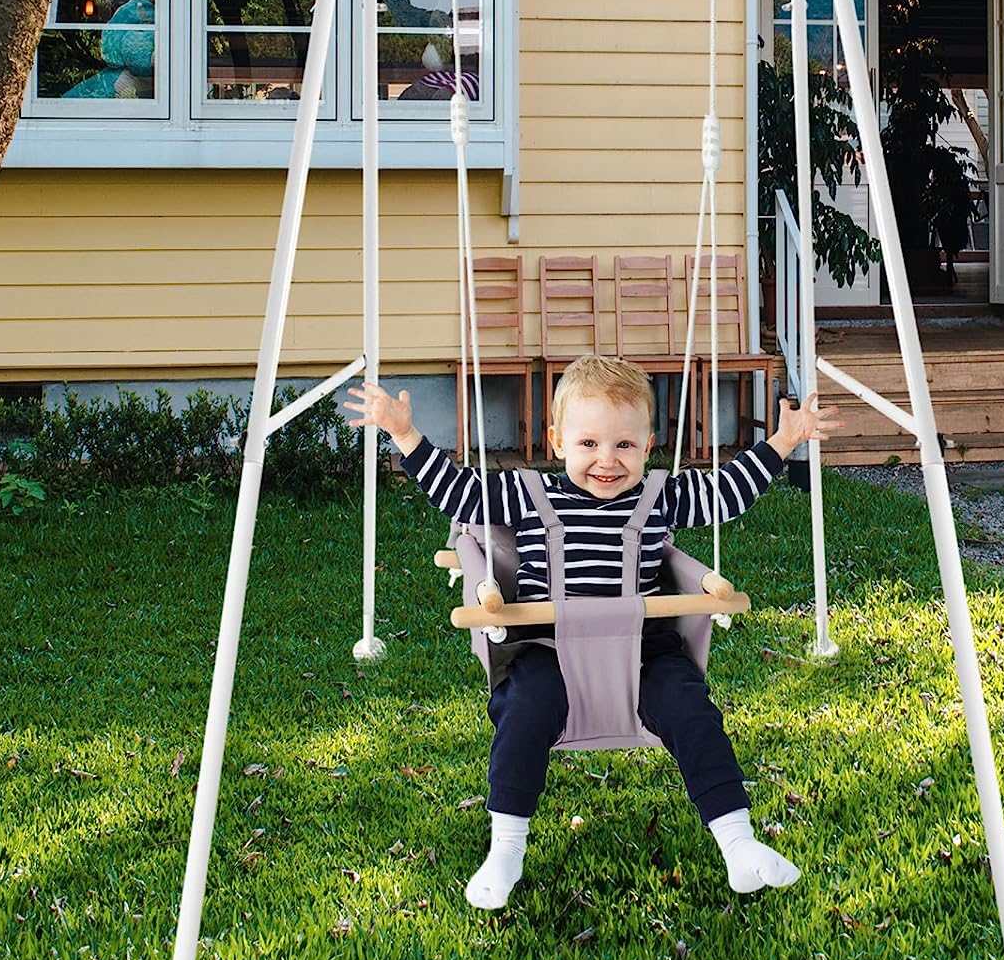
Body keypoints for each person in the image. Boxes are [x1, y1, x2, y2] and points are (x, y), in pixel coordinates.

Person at [344, 354, 839, 910]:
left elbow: (725, 492)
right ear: (557, 441)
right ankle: (505, 848)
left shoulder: (659, 498)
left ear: (649, 446)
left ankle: (738, 841)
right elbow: (461, 494)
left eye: (624, 445)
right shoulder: (528, 495)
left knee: (690, 708)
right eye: (588, 445)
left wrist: (783, 441)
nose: (607, 461)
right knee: (526, 710)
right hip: (544, 646)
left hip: (644, 649)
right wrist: (406, 434)